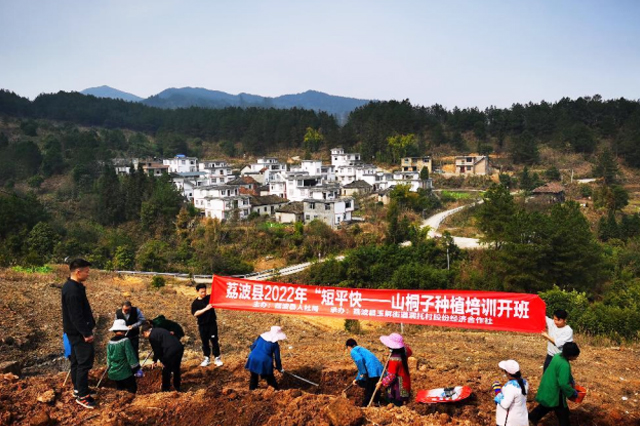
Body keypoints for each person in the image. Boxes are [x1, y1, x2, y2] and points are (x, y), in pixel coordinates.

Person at [61, 258, 97, 409]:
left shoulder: (73, 286)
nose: (88, 274)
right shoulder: (72, 291)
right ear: (78, 272)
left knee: (76, 361)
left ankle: (78, 389)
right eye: (87, 271)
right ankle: (82, 396)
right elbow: (76, 316)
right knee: (84, 362)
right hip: (79, 333)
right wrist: (86, 333)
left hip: (74, 332)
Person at [529, 342, 581, 426]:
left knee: (547, 405)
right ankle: (531, 418)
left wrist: (571, 378)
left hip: (548, 385)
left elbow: (560, 372)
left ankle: (531, 418)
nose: (576, 358)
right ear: (570, 355)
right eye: (575, 356)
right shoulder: (565, 365)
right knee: (562, 412)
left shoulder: (557, 356)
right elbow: (563, 384)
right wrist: (572, 392)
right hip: (555, 391)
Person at [141, 323, 184, 392]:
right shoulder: (159, 330)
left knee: (166, 370)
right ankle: (177, 387)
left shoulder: (152, 336)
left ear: (145, 332)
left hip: (170, 350)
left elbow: (157, 350)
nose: (144, 337)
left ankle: (165, 389)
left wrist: (155, 361)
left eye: (143, 335)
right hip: (179, 347)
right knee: (176, 368)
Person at [191, 284, 222, 367]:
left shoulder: (209, 298)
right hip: (202, 325)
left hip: (212, 324)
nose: (204, 293)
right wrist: (206, 309)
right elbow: (195, 313)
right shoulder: (195, 303)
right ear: (197, 292)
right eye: (202, 292)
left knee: (214, 341)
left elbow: (219, 294)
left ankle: (217, 358)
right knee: (205, 342)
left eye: (205, 291)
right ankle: (206, 358)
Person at [376, 333, 412, 407]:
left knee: (396, 406)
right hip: (405, 383)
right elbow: (409, 350)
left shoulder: (394, 359)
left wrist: (382, 383)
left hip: (397, 388)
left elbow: (392, 376)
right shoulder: (404, 351)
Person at [345, 338, 384, 407]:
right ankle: (377, 404)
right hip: (377, 369)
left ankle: (364, 407)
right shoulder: (361, 349)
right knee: (375, 388)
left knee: (369, 390)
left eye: (347, 348)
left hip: (372, 370)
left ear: (349, 347)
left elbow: (359, 360)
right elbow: (363, 364)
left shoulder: (353, 351)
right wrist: (357, 378)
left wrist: (363, 373)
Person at [245, 326, 286, 391]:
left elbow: (252, 347)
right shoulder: (275, 344)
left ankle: (251, 390)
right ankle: (276, 391)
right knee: (270, 377)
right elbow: (277, 357)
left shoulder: (261, 337)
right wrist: (279, 368)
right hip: (264, 361)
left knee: (254, 376)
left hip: (253, 357)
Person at [106, 319, 140, 394]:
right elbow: (130, 356)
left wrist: (109, 368)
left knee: (120, 389)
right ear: (123, 330)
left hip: (114, 371)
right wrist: (136, 368)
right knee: (132, 388)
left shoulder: (110, 342)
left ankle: (121, 404)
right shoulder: (125, 340)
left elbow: (108, 358)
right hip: (125, 372)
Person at [494, 359, 529, 426]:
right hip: (521, 419)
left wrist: (497, 390)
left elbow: (505, 404)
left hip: (509, 422)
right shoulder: (525, 383)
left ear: (508, 373)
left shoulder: (510, 387)